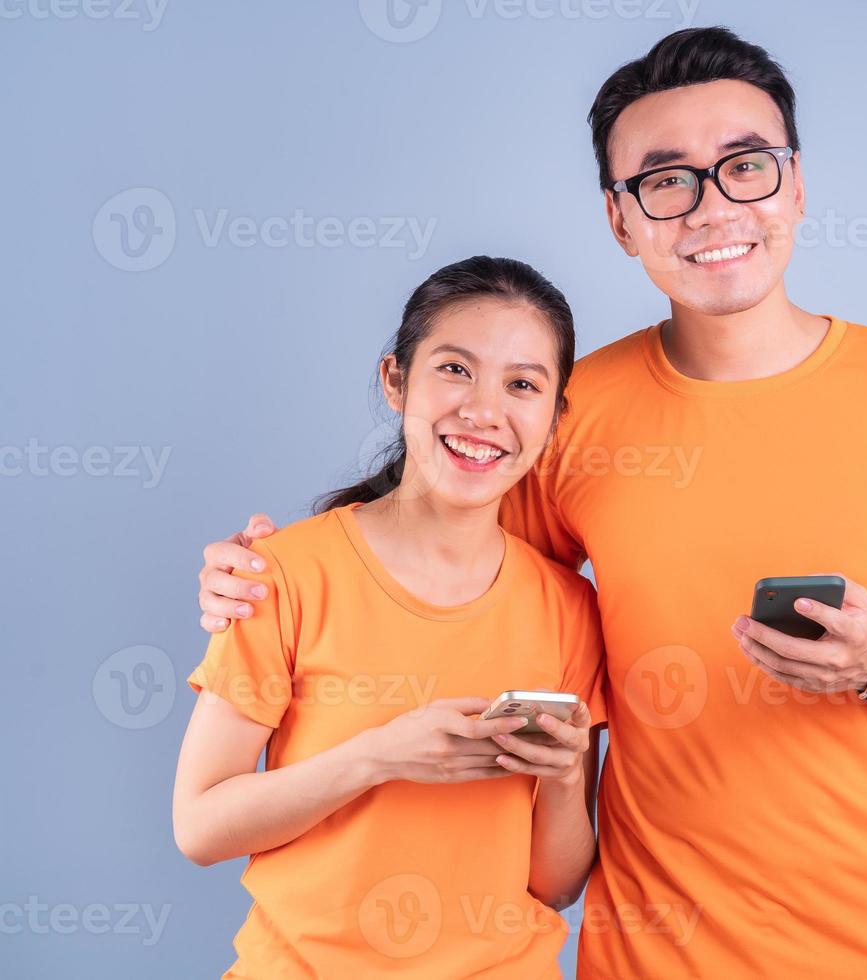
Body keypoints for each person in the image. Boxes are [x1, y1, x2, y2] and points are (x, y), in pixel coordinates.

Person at [196, 29, 867, 980]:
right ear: (621, 219)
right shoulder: (573, 411)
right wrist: (268, 569)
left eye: (746, 166)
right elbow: (446, 556)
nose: (713, 205)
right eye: (667, 180)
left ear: (796, 186)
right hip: (646, 954)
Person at [174, 256, 606, 978]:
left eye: (522, 385)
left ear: (554, 419)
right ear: (396, 380)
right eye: (455, 369)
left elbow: (554, 884)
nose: (484, 411)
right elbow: (200, 827)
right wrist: (377, 757)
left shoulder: (567, 609)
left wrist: (563, 779)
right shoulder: (279, 573)